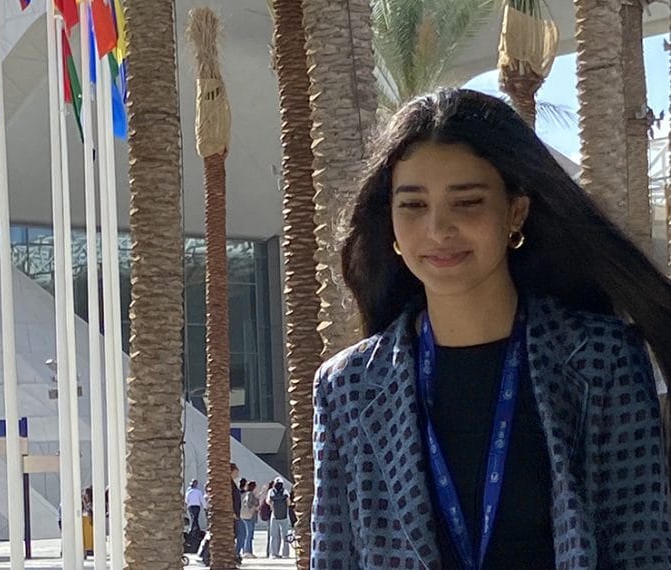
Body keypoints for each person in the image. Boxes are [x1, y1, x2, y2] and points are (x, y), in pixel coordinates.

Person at [311, 88, 671, 569]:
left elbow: (644, 549)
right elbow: (334, 558)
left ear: (515, 212)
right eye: (413, 206)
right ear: (391, 223)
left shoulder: (602, 359)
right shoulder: (347, 388)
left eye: (467, 202)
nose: (438, 229)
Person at [266, 478, 291, 558]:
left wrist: (273, 507)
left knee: (274, 536)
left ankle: (274, 553)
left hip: (274, 515)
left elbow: (268, 501)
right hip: (284, 516)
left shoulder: (271, 491)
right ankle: (285, 554)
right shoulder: (285, 491)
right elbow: (288, 502)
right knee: (285, 536)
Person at [239, 481, 260, 558]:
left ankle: (248, 551)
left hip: (246, 516)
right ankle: (247, 551)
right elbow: (249, 504)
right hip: (249, 516)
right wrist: (254, 508)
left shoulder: (245, 493)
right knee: (249, 534)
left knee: (248, 534)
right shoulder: (250, 494)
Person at [230, 463, 245, 563]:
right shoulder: (229, 484)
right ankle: (235, 553)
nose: (237, 474)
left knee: (240, 534)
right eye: (236, 472)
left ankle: (235, 553)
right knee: (241, 533)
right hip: (233, 515)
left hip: (236, 514)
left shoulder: (233, 483)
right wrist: (232, 512)